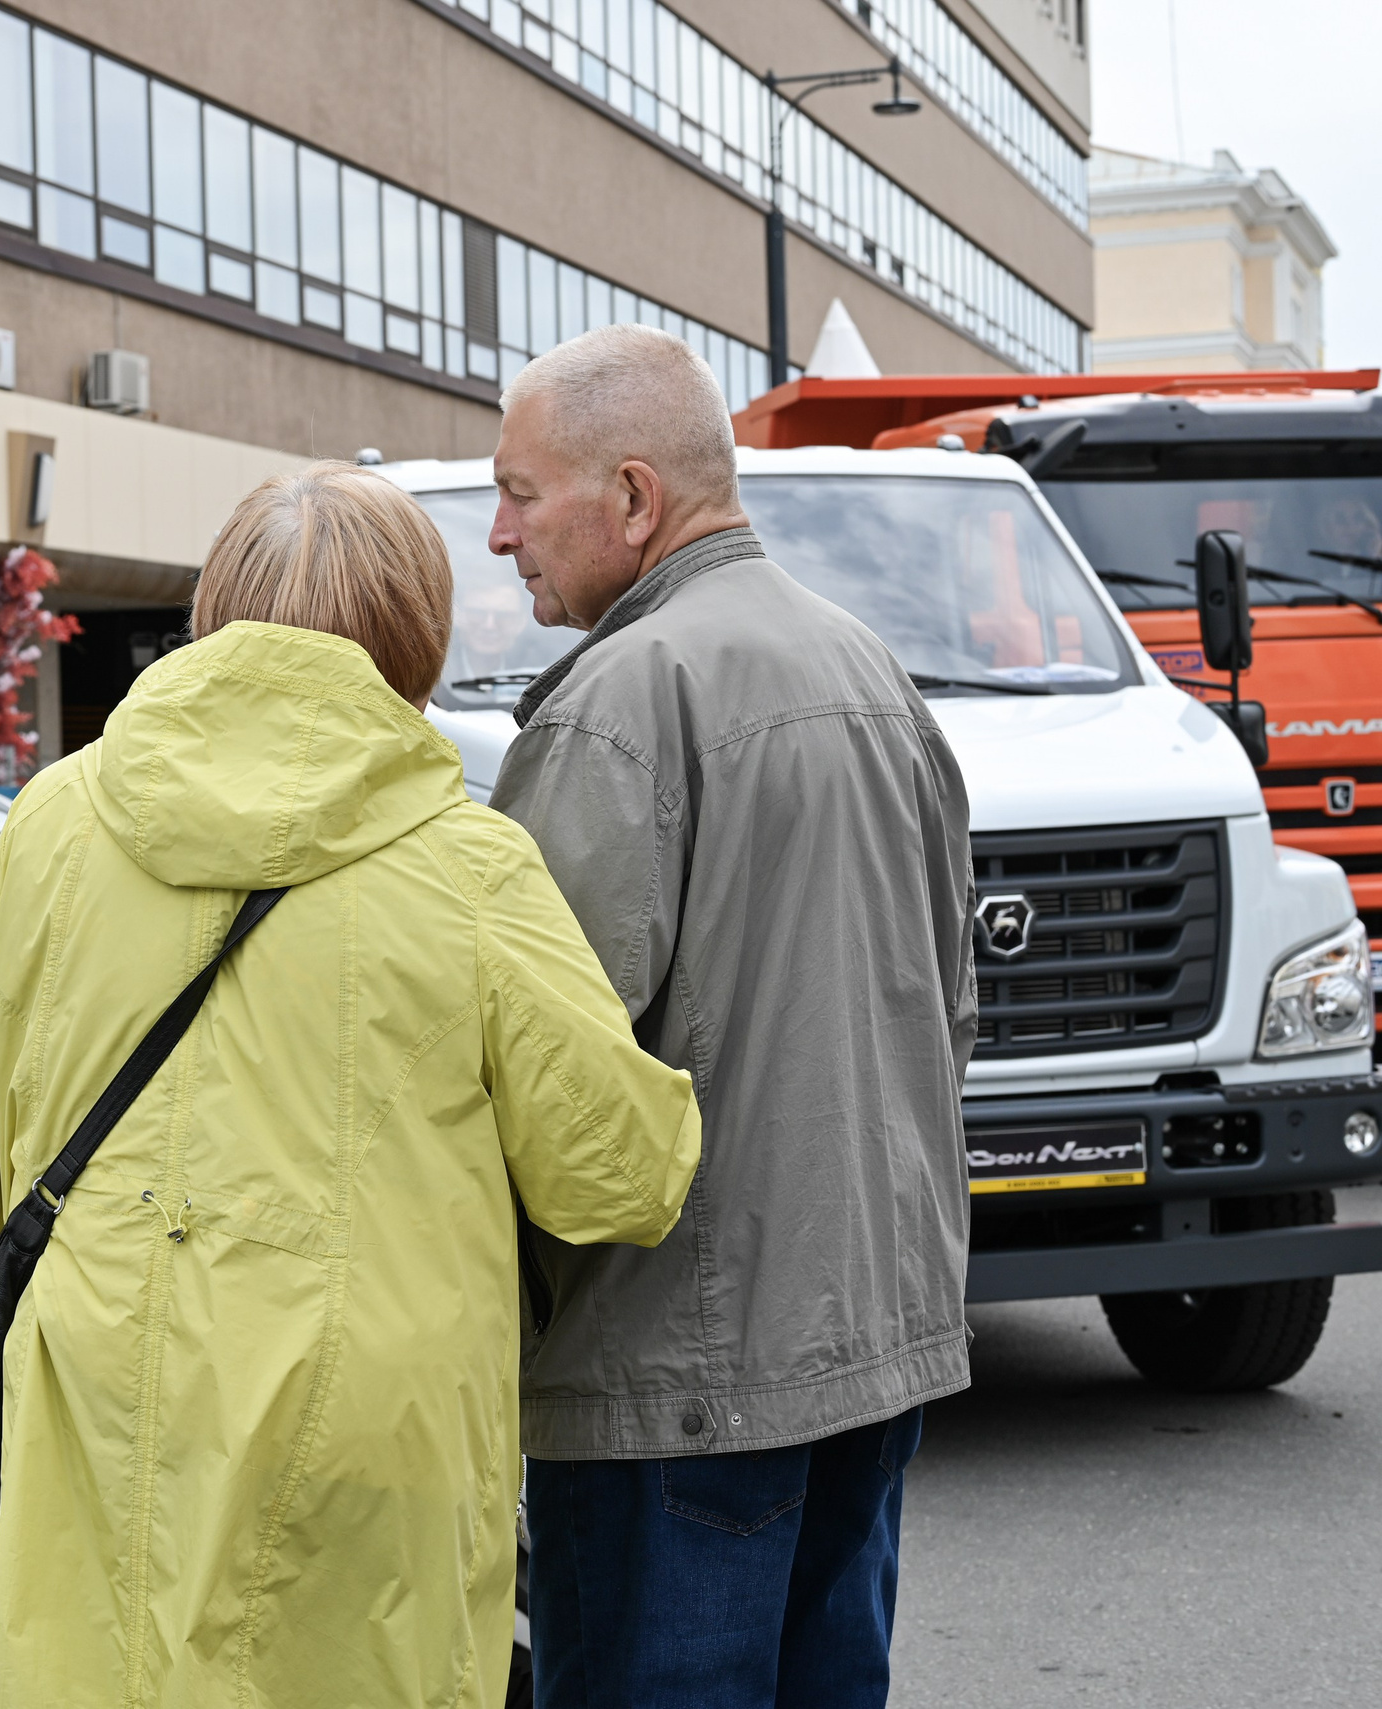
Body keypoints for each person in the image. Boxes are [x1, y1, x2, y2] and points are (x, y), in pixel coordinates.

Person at [0, 463, 702, 1707]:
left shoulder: (49, 823)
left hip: (97, 1385)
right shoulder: (468, 863)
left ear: (215, 610)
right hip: (372, 1416)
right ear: (413, 632)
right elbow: (615, 1180)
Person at [483, 324, 977, 1707]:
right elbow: (950, 1010)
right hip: (867, 1345)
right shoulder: (873, 671)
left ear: (633, 498)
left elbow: (540, 1076)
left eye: (520, 493)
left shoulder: (617, 704)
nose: (499, 535)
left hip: (676, 1376)